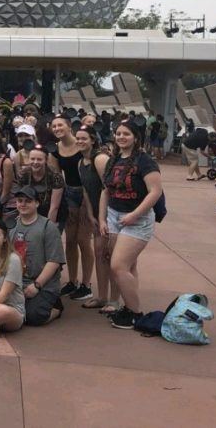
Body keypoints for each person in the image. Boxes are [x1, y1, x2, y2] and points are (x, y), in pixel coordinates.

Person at [99, 120, 163, 330]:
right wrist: (101, 219)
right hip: (114, 216)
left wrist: (135, 214)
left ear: (136, 137)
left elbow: (155, 192)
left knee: (118, 266)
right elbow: (106, 190)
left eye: (126, 134)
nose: (121, 137)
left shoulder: (145, 161)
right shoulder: (114, 159)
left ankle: (136, 314)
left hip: (137, 219)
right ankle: (129, 306)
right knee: (129, 266)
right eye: (118, 133)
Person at [48, 115, 94, 302]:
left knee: (84, 240)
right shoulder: (55, 150)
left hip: (86, 193)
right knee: (70, 241)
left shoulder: (81, 144)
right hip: (69, 194)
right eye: (54, 126)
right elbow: (57, 177)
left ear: (69, 127)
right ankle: (72, 281)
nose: (57, 128)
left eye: (60, 125)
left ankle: (86, 284)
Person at [75, 126, 120, 313]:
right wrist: (91, 214)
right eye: (77, 138)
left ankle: (115, 300)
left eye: (84, 138)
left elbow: (108, 188)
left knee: (114, 257)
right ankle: (101, 296)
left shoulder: (100, 159)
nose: (79, 141)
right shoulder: (81, 162)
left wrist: (103, 217)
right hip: (97, 214)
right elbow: (86, 190)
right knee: (100, 254)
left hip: (112, 214)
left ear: (93, 140)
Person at [10, 185, 66, 326]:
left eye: (28, 201)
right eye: (20, 201)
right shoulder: (11, 225)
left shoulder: (48, 227)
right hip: (17, 282)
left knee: (32, 317)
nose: (23, 204)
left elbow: (54, 261)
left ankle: (56, 307)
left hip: (42, 284)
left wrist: (37, 285)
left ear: (37, 203)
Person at [16, 144, 64, 219]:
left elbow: (54, 207)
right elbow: (21, 201)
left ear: (46, 160)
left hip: (53, 213)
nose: (35, 162)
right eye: (32, 159)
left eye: (39, 159)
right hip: (31, 211)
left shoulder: (56, 176)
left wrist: (48, 227)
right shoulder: (23, 174)